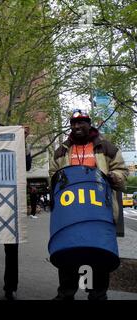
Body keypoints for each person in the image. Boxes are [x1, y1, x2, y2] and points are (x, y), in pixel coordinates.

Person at [49, 109, 128, 300]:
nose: (77, 126)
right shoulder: (61, 151)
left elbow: (122, 172)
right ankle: (66, 294)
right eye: (74, 123)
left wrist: (113, 176)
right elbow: (53, 175)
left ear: (89, 124)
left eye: (82, 122)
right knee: (70, 253)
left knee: (97, 254)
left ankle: (97, 294)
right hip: (71, 213)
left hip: (98, 212)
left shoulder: (106, 148)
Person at [0, 124, 32, 301]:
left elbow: (26, 165)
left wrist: (23, 142)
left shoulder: (15, 152)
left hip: (11, 205)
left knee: (11, 251)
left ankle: (10, 288)